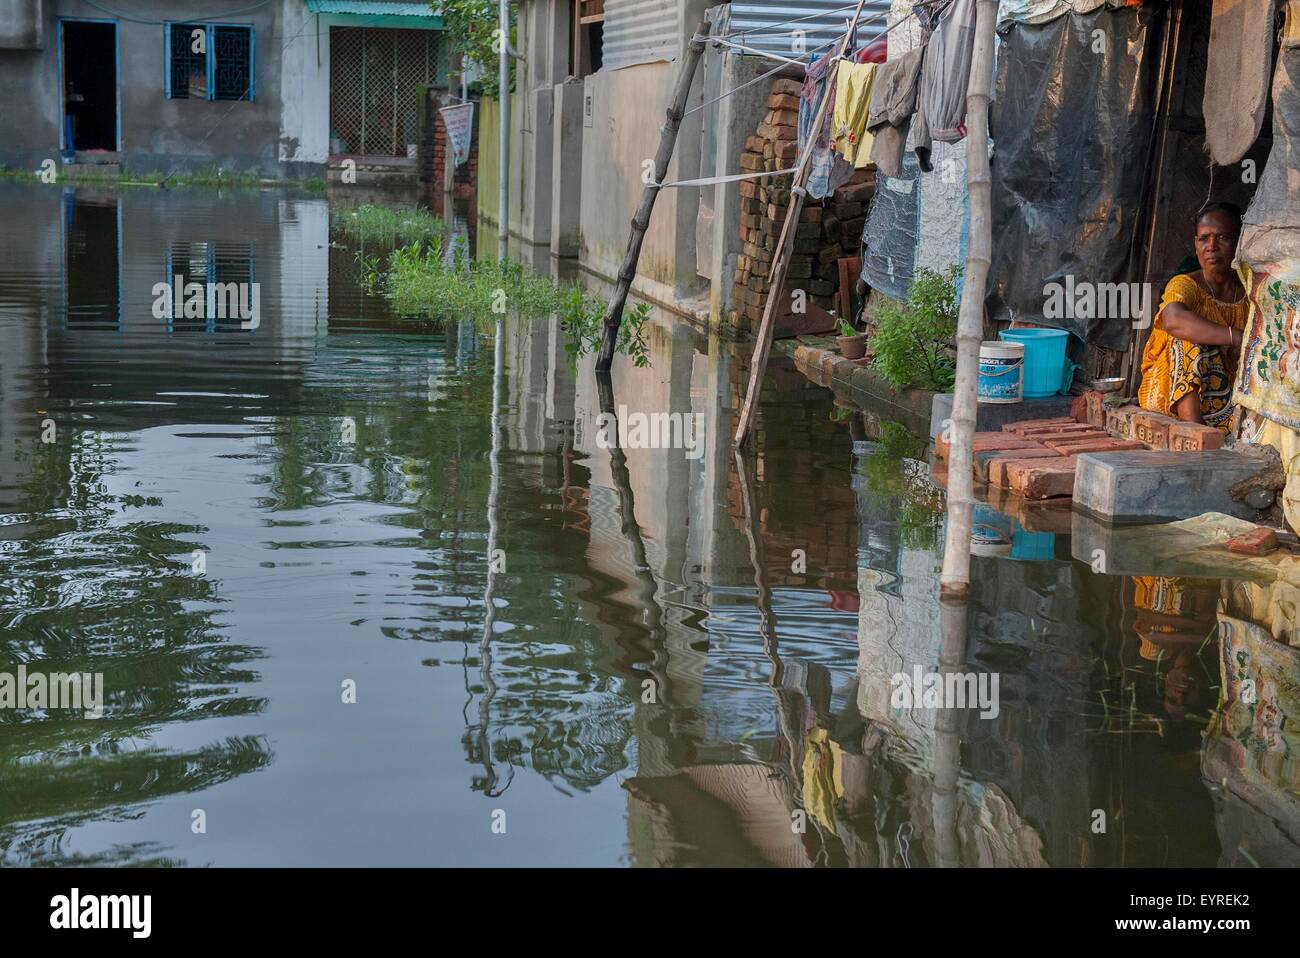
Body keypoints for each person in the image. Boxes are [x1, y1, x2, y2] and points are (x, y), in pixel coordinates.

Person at [1137, 203, 1250, 430]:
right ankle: (1194, 430)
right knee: (1186, 339)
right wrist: (1234, 336)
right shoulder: (1186, 284)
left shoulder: (1249, 288)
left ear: (1239, 242)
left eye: (1222, 238)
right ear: (1195, 245)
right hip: (1169, 392)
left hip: (1229, 395)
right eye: (1204, 238)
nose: (1212, 247)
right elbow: (1173, 320)